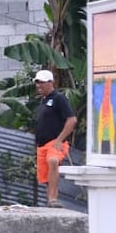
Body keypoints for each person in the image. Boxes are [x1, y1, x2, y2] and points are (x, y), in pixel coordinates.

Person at [33, 69, 77, 208]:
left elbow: (72, 120)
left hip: (55, 142)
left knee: (53, 161)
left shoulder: (59, 98)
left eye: (42, 83)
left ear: (51, 83)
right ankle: (50, 202)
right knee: (46, 177)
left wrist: (59, 140)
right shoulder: (43, 101)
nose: (39, 85)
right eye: (37, 83)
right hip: (42, 144)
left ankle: (53, 199)